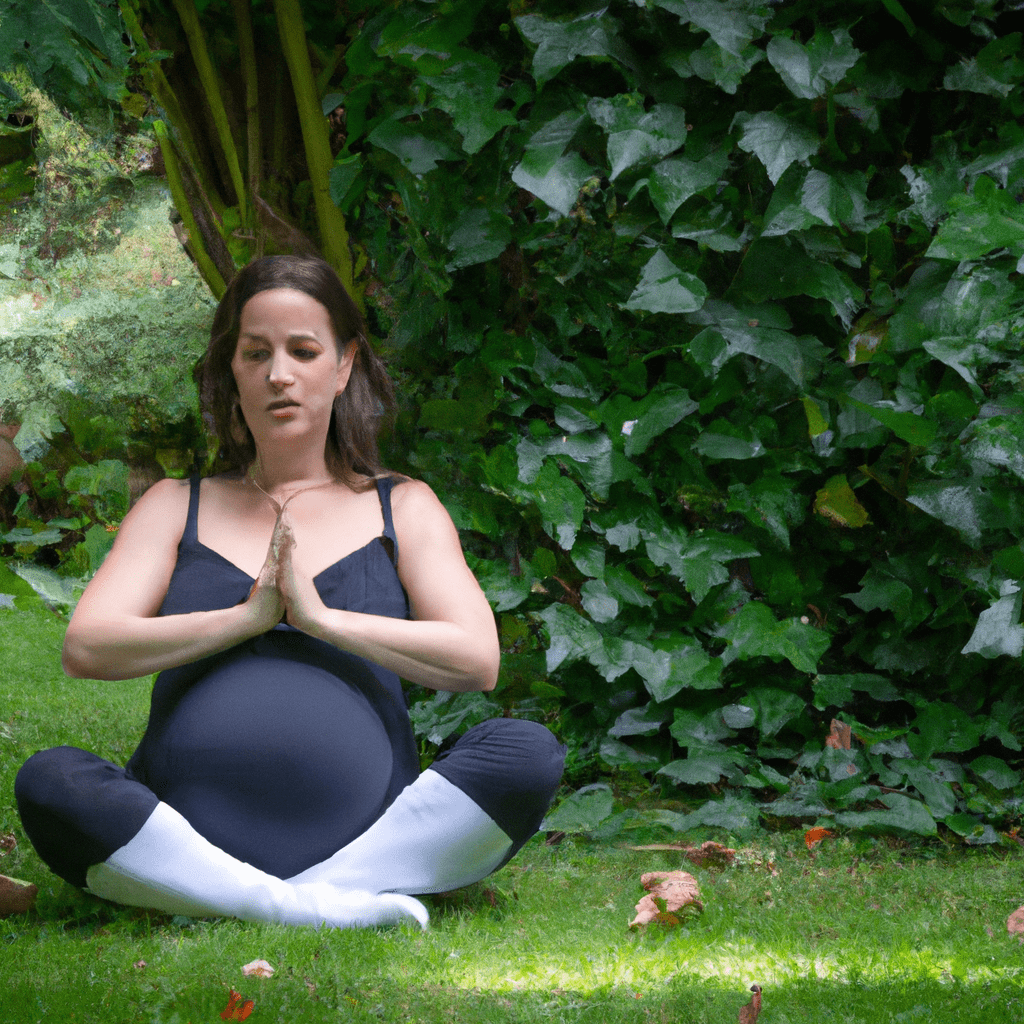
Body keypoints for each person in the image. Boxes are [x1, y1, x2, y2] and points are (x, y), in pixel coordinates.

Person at [14, 255, 565, 930]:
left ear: (343, 367)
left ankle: (237, 897)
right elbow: (86, 647)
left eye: (304, 351)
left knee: (526, 752)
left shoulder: (404, 506)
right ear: (232, 373)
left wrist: (322, 619)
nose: (280, 374)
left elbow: (477, 660)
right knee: (50, 780)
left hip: (371, 832)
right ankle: (312, 907)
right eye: (256, 353)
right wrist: (249, 617)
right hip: (182, 828)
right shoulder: (174, 504)